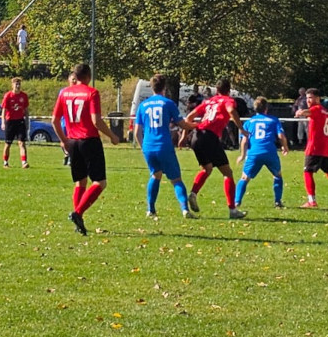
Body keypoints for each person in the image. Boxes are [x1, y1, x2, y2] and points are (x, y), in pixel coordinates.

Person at [51, 63, 119, 236]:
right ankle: (78, 213)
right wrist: (112, 135)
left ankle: (78, 220)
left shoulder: (65, 92)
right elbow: (96, 121)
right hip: (89, 141)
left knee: (80, 182)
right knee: (99, 182)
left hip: (73, 141)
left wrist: (64, 140)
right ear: (88, 76)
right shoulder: (91, 92)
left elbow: (54, 120)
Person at [134, 73, 195, 219]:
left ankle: (151, 209)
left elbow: (137, 131)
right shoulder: (168, 103)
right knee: (176, 179)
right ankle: (185, 209)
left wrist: (143, 148)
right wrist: (198, 125)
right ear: (165, 87)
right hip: (164, 145)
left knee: (155, 175)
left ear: (152, 87)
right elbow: (182, 124)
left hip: (149, 147)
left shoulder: (143, 105)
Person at [183, 78, 246, 220]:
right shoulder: (228, 100)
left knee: (207, 168)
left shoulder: (209, 101)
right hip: (209, 137)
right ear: (228, 90)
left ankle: (193, 194)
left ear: (216, 90)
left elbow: (189, 117)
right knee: (227, 173)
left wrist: (188, 132)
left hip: (196, 136)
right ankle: (232, 210)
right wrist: (241, 128)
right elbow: (231, 110)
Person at [234, 97, 289, 209]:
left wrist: (242, 155)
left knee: (244, 177)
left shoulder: (249, 122)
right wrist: (285, 147)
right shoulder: (274, 120)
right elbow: (281, 136)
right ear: (266, 108)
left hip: (254, 153)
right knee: (277, 175)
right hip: (270, 152)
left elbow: (244, 140)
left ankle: (237, 202)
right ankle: (278, 202)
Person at [0, 76, 30, 169]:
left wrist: (27, 121)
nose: (17, 85)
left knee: (21, 143)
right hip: (10, 122)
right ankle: (5, 162)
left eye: (19, 84)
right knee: (8, 144)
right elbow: (4, 111)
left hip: (20, 121)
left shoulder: (23, 96)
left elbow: (26, 110)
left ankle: (24, 162)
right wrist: (3, 122)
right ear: (12, 85)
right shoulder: (8, 96)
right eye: (16, 84)